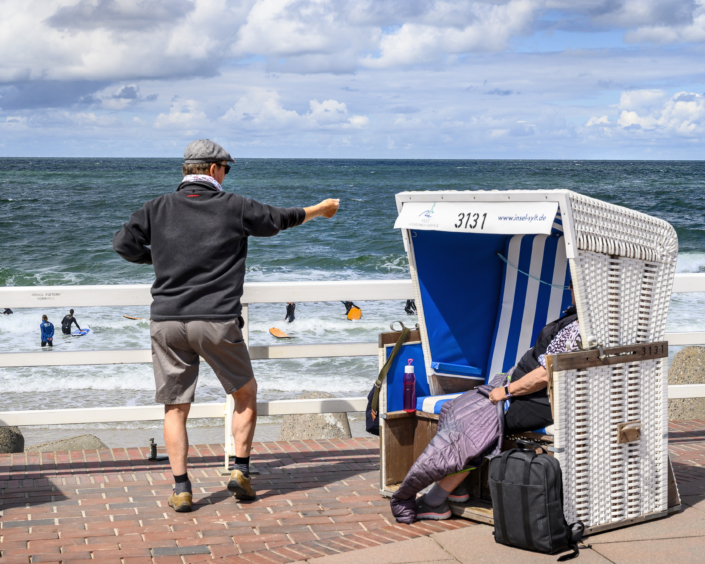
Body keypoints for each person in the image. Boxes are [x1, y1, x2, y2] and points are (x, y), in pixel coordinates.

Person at [113, 139, 339, 513]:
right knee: (245, 393)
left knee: (175, 407)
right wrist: (321, 209)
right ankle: (241, 472)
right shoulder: (233, 206)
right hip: (216, 320)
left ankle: (183, 488)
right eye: (226, 168)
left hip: (167, 320)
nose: (226, 174)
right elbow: (280, 219)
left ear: (187, 171)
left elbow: (123, 245)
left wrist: (161, 261)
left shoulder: (155, 208)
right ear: (214, 169)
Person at [411, 281, 579, 521]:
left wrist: (507, 390)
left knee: (479, 424)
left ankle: (435, 500)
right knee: (454, 407)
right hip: (527, 390)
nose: (572, 290)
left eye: (576, 285)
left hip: (542, 400)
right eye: (571, 285)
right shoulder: (575, 318)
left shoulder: (579, 328)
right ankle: (456, 488)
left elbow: (545, 374)